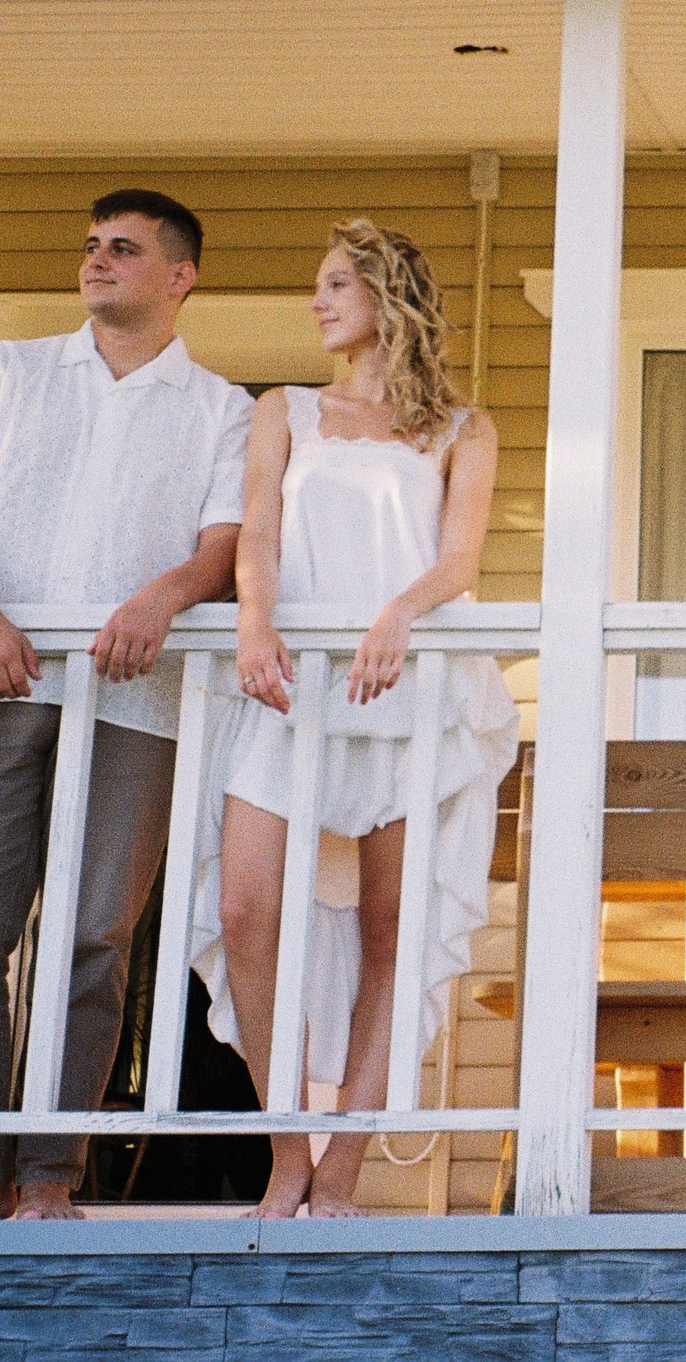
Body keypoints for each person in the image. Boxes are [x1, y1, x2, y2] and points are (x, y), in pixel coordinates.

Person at [0, 190, 252, 1221]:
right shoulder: (6, 370)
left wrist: (163, 596)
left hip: (136, 702)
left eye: (122, 249)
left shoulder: (220, 407)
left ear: (178, 276)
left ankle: (49, 1172)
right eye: (91, 246)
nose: (96, 260)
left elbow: (225, 546)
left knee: (92, 937)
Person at [190, 218, 520, 1219]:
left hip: (405, 685)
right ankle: (285, 1151)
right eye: (319, 283)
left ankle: (342, 1170)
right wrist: (252, 619)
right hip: (289, 684)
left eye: (337, 283)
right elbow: (259, 528)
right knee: (248, 909)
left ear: (389, 297)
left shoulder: (462, 427)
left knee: (390, 926)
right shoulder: (282, 410)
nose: (318, 300)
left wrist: (397, 613)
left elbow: (457, 559)